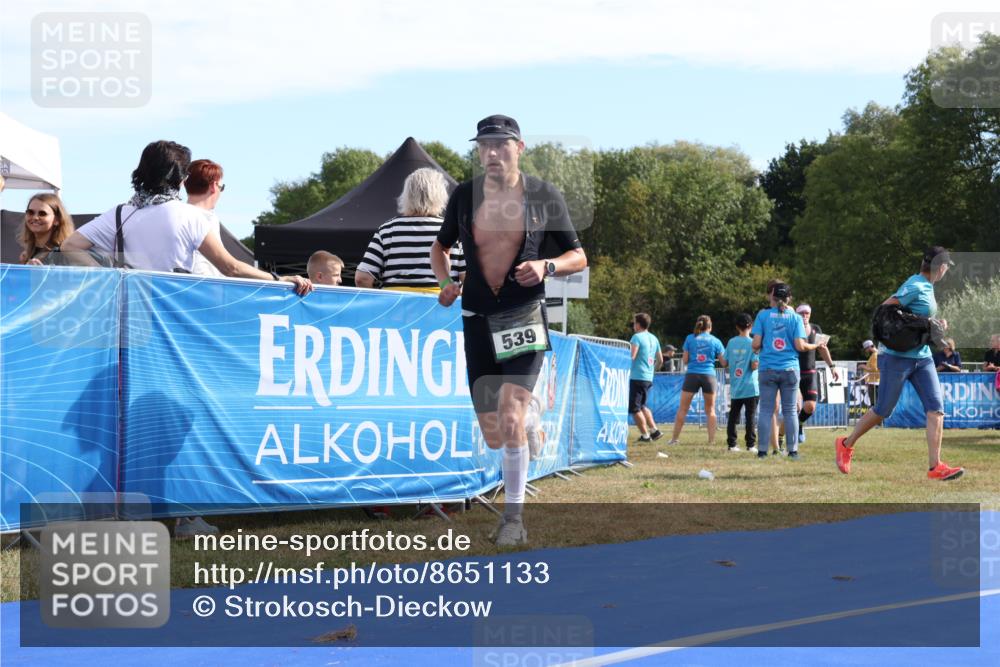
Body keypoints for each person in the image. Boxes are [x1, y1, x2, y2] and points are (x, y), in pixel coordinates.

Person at [431, 114, 587, 547]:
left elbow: (579, 256)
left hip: (522, 315)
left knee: (510, 414)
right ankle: (531, 421)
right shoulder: (463, 196)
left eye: (501, 145)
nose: (492, 153)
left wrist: (546, 265)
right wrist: (446, 283)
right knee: (493, 430)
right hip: (476, 317)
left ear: (519, 148)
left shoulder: (542, 195)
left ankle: (514, 519)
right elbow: (439, 248)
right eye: (484, 146)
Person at [62, 140, 312, 296]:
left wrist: (110, 276)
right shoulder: (191, 216)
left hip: (129, 315)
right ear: (180, 180)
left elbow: (69, 245)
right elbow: (230, 268)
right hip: (175, 315)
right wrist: (280, 279)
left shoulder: (117, 214)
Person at [835, 247, 964, 481]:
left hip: (922, 357)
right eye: (946, 266)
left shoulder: (927, 287)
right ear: (941, 267)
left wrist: (935, 325)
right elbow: (885, 310)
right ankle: (846, 444)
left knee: (936, 407)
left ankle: (935, 466)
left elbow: (917, 320)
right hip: (896, 357)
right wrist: (923, 322)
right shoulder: (915, 285)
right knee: (883, 409)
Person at [357, 168, 464, 292]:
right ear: (441, 196)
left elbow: (362, 278)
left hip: (395, 307)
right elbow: (469, 279)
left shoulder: (387, 230)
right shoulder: (454, 230)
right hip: (440, 307)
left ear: (406, 195)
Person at [752, 280, 824, 460]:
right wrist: (814, 345)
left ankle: (762, 452)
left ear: (772, 296)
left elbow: (755, 344)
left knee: (766, 411)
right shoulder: (795, 318)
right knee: (791, 410)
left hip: (767, 368)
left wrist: (760, 348)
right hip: (790, 369)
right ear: (789, 298)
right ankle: (793, 451)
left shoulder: (763, 315)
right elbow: (800, 346)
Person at [785, 303, 840, 444]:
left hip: (809, 373)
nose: (804, 316)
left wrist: (832, 366)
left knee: (810, 406)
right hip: (793, 371)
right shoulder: (791, 328)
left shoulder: (816, 329)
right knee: (796, 405)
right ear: (796, 315)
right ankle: (786, 437)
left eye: (807, 313)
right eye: (801, 313)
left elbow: (822, 349)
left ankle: (800, 425)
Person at [667, 315, 726, 446]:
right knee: (710, 410)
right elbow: (723, 362)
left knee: (683, 409)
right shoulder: (716, 341)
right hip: (709, 376)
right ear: (710, 327)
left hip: (692, 375)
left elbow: (685, 360)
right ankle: (711, 441)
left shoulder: (689, 338)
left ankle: (674, 439)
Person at [184, 158, 225, 277]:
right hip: (205, 290)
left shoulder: (176, 215)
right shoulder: (207, 219)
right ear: (214, 186)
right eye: (221, 187)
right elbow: (229, 267)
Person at [725, 313, 759, 452]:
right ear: (751, 326)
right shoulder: (754, 343)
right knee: (750, 416)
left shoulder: (731, 342)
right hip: (751, 386)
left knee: (733, 416)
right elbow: (753, 366)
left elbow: (725, 362)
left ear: (736, 327)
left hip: (736, 386)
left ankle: (732, 444)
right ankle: (750, 445)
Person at [628, 312, 664, 442]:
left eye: (634, 323)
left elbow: (631, 356)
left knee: (634, 408)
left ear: (638, 325)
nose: (633, 326)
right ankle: (655, 431)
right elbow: (660, 360)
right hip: (648, 378)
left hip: (637, 377)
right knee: (642, 406)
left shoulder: (636, 337)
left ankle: (645, 435)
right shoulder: (654, 338)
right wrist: (652, 371)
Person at [18, 193, 75, 264]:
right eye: (30, 212)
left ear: (57, 220)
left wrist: (42, 273)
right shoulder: (26, 254)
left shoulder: (63, 254)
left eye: (42, 213)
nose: (35, 217)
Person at [861, 339, 880, 408]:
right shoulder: (876, 354)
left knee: (874, 405)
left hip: (874, 383)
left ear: (869, 347)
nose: (866, 351)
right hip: (874, 382)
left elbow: (874, 369)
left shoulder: (875, 355)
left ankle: (877, 418)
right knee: (875, 404)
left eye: (866, 349)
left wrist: (863, 366)